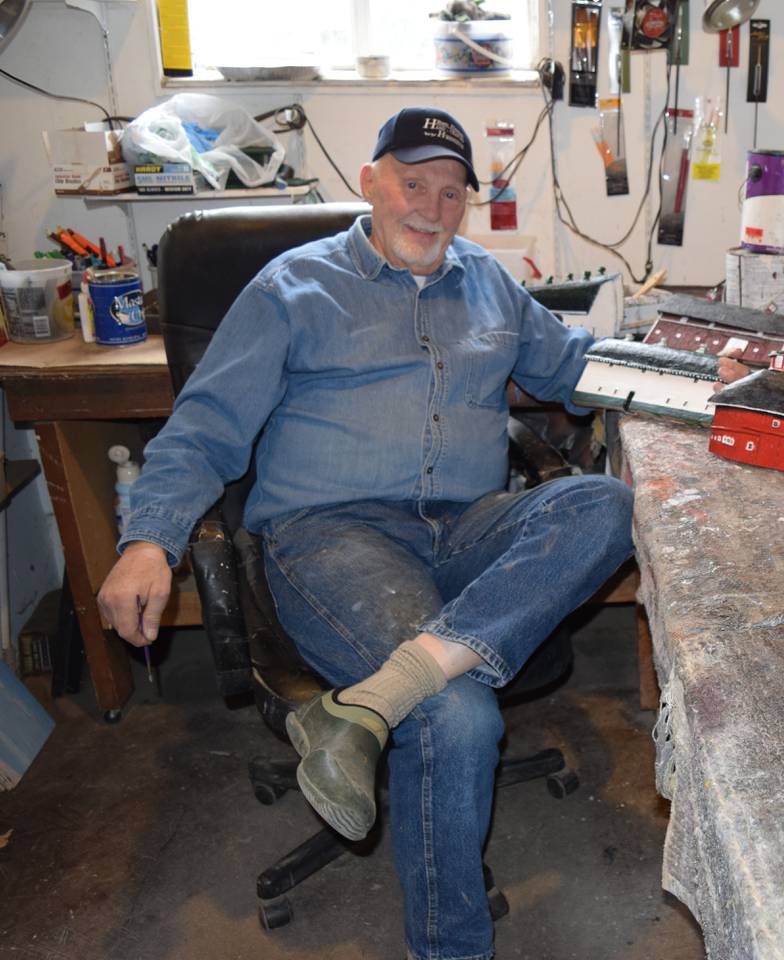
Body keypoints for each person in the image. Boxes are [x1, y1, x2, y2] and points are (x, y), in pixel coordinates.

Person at [97, 106, 742, 960]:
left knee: (605, 506)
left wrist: (709, 378)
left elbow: (578, 367)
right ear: (369, 182)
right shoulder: (294, 288)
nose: (431, 208)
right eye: (412, 183)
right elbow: (207, 424)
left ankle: (380, 695)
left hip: (464, 527)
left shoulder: (489, 283)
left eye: (450, 192)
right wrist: (149, 538)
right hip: (330, 535)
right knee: (461, 718)